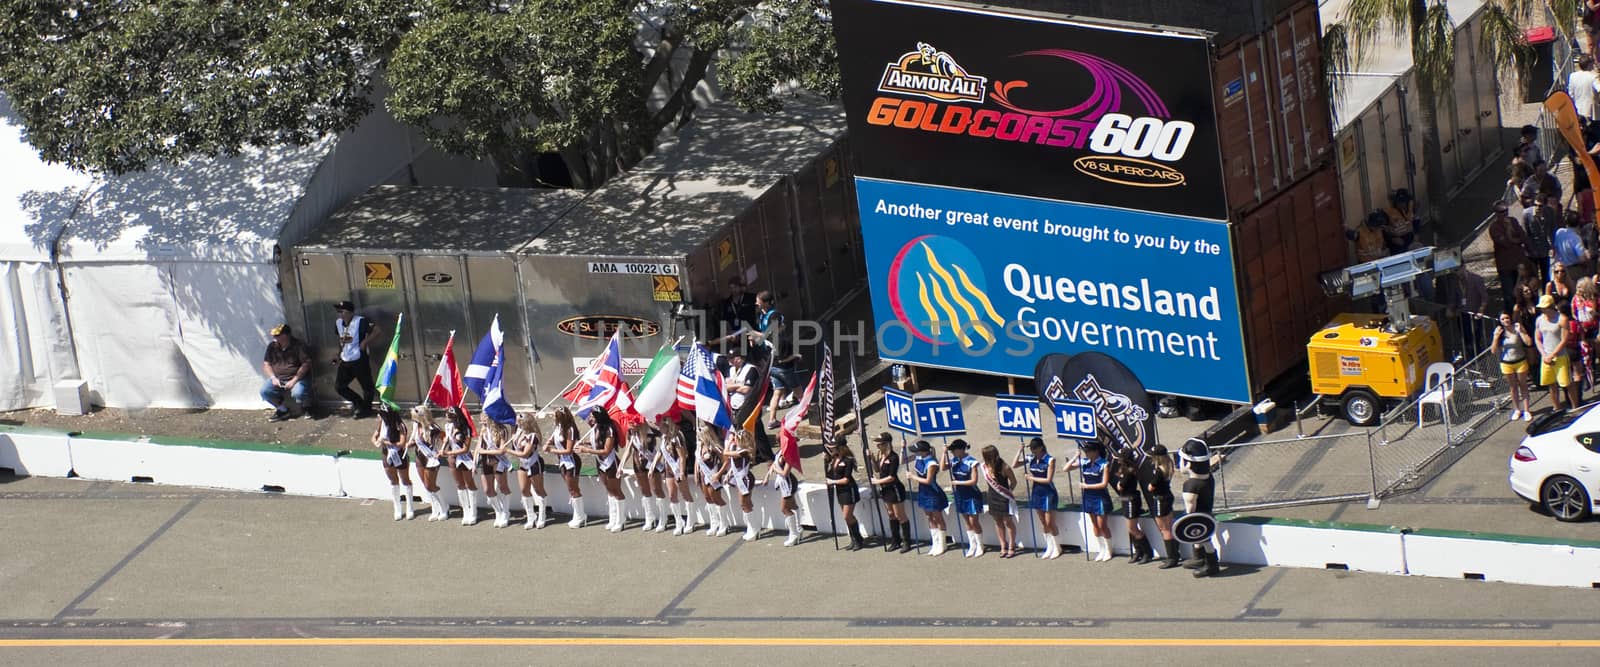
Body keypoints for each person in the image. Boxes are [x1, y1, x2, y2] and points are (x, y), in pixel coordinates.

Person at [755, 291, 804, 428]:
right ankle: (806, 412)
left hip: (771, 362)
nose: (756, 303)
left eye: (758, 301)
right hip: (778, 363)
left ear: (765, 302)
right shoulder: (767, 318)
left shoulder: (771, 316)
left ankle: (771, 420)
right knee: (798, 390)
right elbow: (783, 355)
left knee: (777, 391)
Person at [1178, 438, 1222, 578]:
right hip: (1207, 513)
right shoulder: (1209, 478)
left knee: (1204, 539)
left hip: (1199, 520)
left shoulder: (1191, 486)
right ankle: (1198, 558)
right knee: (1201, 539)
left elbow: (1190, 513)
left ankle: (1211, 564)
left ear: (1189, 464)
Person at [578, 408, 625, 532]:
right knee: (609, 490)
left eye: (593, 416)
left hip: (611, 463)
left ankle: (621, 520)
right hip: (600, 463)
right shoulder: (596, 428)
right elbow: (598, 442)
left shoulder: (609, 429)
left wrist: (587, 450)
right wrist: (587, 443)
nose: (590, 418)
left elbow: (606, 450)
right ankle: (613, 518)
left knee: (616, 490)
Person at [1016, 437, 1063, 559]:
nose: (1032, 451)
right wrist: (1020, 451)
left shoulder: (1049, 460)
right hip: (1036, 492)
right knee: (1043, 522)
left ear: (1041, 447)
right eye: (1031, 448)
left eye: (1034, 448)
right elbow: (1014, 464)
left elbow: (1048, 479)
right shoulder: (1031, 458)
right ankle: (1049, 546)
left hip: (1048, 492)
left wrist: (1031, 478)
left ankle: (1057, 547)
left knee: (1049, 522)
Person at [1066, 441, 1113, 561]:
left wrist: (1087, 486)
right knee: (1095, 525)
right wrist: (1075, 457)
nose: (1086, 454)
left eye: (1088, 451)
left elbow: (1104, 484)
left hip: (1100, 497)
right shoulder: (1085, 462)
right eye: (1085, 451)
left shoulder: (1104, 464)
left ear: (1096, 451)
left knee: (1102, 525)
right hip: (1088, 497)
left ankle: (1109, 549)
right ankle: (1101, 548)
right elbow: (1066, 468)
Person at [331, 301, 379, 419]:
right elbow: (341, 340)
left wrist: (365, 342)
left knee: (367, 386)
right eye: (338, 312)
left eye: (343, 311)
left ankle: (366, 409)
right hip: (346, 358)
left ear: (351, 312)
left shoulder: (360, 321)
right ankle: (358, 403)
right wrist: (338, 354)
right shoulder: (338, 323)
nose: (340, 314)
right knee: (339, 386)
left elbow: (377, 330)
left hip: (359, 358)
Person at [868, 432, 912, 553]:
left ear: (886, 444)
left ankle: (906, 541)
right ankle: (895, 540)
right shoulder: (880, 455)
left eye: (880, 444)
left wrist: (877, 481)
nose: (878, 446)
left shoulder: (893, 457)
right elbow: (877, 469)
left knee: (900, 515)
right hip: (885, 489)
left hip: (894, 488)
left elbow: (892, 477)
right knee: (891, 514)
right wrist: (872, 459)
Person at [1536, 294, 1580, 411]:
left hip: (1560, 357)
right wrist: (1544, 355)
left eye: (1545, 307)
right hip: (1546, 358)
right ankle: (1557, 408)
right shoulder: (1539, 319)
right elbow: (1538, 338)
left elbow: (1565, 340)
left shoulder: (1562, 319)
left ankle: (1575, 408)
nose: (1543, 310)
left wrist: (1552, 354)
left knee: (1567, 384)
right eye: (1542, 308)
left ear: (1551, 307)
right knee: (1551, 384)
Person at [260, 324, 312, 422]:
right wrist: (273, 378)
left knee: (298, 392)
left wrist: (294, 380)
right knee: (264, 391)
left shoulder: (298, 345)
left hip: (297, 378)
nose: (274, 338)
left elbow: (306, 364)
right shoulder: (272, 346)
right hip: (278, 378)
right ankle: (283, 410)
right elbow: (266, 364)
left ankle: (307, 406)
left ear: (286, 335)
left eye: (277, 335)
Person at [372, 404, 414, 521]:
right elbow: (374, 437)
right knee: (393, 480)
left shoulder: (400, 425)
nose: (380, 416)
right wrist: (376, 442)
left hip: (399, 454)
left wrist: (387, 442)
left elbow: (401, 443)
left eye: (382, 414)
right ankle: (397, 508)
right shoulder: (381, 423)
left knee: (405, 480)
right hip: (386, 454)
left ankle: (410, 508)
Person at [908, 440, 949, 556]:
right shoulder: (919, 458)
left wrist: (912, 477)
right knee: (929, 517)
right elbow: (903, 461)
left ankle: (942, 544)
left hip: (932, 491)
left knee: (938, 517)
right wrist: (902, 448)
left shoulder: (931, 463)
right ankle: (935, 542)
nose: (915, 453)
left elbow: (928, 480)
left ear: (923, 451)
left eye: (917, 451)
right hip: (923, 492)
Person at [1110, 450, 1152, 564]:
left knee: (1133, 528)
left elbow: (1120, 486)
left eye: (1119, 458)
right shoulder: (1124, 469)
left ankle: (1147, 552)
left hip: (1130, 499)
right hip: (1125, 499)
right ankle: (1138, 551)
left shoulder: (1130, 471)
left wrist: (1119, 482)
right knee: (1130, 529)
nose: (1117, 460)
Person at [509, 412, 549, 529]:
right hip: (522, 464)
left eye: (519, 420)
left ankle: (542, 515)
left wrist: (507, 451)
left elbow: (525, 453)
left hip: (533, 463)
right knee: (524, 490)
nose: (516, 422)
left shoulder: (533, 436)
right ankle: (531, 516)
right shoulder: (517, 432)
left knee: (539, 489)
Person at [945, 439, 984, 558]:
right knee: (967, 521)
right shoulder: (954, 460)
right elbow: (942, 467)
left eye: (953, 450)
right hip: (960, 494)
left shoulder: (972, 462)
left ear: (961, 449)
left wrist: (957, 482)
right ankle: (972, 545)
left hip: (971, 494)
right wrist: (943, 453)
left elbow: (974, 481)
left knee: (974, 521)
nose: (952, 452)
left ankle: (980, 545)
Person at [548, 407, 587, 528]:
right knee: (570, 489)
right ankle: (577, 514)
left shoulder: (570, 429)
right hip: (562, 461)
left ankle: (580, 516)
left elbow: (569, 450)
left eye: (556, 415)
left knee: (573, 488)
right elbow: (553, 441)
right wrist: (548, 444)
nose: (553, 417)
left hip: (571, 461)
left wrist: (552, 450)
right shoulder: (558, 428)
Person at [1492, 312, 1535, 421]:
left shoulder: (1517, 328)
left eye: (1507, 317)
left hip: (1520, 361)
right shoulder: (1500, 332)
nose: (1505, 320)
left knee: (1523, 385)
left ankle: (1526, 410)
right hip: (1506, 363)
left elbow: (1529, 342)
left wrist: (1521, 332)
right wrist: (1496, 337)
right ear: (1500, 321)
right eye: (1502, 319)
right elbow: (1493, 350)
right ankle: (1517, 409)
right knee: (1513, 387)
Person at [408, 405, 449, 521]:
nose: (412, 419)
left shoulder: (434, 428)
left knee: (431, 485)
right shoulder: (417, 426)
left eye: (414, 416)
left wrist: (442, 450)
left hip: (431, 458)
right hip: (419, 458)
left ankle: (444, 507)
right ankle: (435, 509)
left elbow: (445, 437)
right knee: (426, 486)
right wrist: (411, 444)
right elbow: (417, 441)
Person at [824, 435, 864, 550]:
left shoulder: (848, 460)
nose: (831, 449)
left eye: (834, 447)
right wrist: (827, 462)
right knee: (847, 516)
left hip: (848, 489)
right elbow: (830, 474)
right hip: (840, 490)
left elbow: (846, 479)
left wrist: (833, 481)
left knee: (847, 515)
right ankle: (854, 539)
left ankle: (858, 539)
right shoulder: (833, 459)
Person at [764, 436, 805, 546]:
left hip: (788, 483)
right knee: (793, 505)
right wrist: (767, 476)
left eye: (780, 440)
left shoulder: (788, 454)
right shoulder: (780, 451)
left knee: (784, 508)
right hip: (783, 483)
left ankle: (793, 534)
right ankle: (798, 528)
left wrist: (776, 470)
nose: (778, 442)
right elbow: (773, 464)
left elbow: (784, 473)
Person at [440, 407, 479, 526]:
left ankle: (473, 512)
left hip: (464, 458)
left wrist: (449, 453)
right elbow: (447, 439)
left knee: (469, 484)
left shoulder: (465, 428)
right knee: (459, 484)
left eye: (449, 415)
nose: (447, 417)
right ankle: (465, 511)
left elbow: (465, 449)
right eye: (447, 415)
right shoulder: (448, 427)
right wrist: (443, 449)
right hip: (453, 458)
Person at [1144, 445, 1180, 569]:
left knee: (1164, 529)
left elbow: (1151, 486)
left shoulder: (1159, 470)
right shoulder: (1169, 466)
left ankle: (1172, 557)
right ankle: (1175, 553)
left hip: (1160, 499)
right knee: (1169, 526)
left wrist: (1150, 485)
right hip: (1167, 496)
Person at [656, 421, 696, 535]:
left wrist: (682, 472)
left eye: (661, 426)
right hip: (668, 469)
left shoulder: (676, 437)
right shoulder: (664, 438)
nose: (659, 428)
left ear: (668, 426)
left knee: (685, 494)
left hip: (678, 469)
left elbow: (682, 457)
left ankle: (690, 520)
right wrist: (654, 464)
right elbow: (661, 453)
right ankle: (679, 521)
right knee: (672, 495)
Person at [629, 422, 669, 533]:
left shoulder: (651, 430)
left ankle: (663, 518)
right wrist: (622, 465)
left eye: (632, 422)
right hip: (638, 464)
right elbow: (629, 449)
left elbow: (664, 437)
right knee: (644, 491)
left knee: (657, 489)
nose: (630, 424)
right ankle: (649, 518)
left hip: (652, 463)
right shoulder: (631, 432)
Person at [980, 445, 1019, 559]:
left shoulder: (1004, 467)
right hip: (992, 496)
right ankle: (1003, 545)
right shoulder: (985, 466)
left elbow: (1014, 482)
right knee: (998, 521)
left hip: (1004, 497)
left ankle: (1012, 546)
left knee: (1008, 522)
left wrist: (1008, 493)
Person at [476, 419, 515, 528]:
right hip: (485, 461)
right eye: (481, 417)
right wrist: (475, 462)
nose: (482, 420)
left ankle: (506, 512)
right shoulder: (484, 430)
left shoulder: (501, 429)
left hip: (499, 461)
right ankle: (498, 511)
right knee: (487, 489)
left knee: (503, 487)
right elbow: (478, 447)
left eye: (484, 417)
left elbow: (501, 450)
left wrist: (485, 451)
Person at [1489, 201, 1528, 310]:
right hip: (1505, 265)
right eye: (1502, 212)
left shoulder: (1514, 221)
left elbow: (1523, 237)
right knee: (1509, 294)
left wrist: (1514, 239)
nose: (1505, 214)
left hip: (1518, 262)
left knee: (1522, 291)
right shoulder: (1494, 228)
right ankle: (1512, 316)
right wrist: (1510, 233)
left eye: (1506, 211)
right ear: (1496, 213)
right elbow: (1505, 243)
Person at [723, 430, 760, 541]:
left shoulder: (744, 451)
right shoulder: (738, 449)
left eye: (737, 439)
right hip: (739, 478)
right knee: (743, 504)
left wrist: (729, 442)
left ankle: (754, 528)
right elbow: (734, 464)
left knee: (745, 504)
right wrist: (729, 475)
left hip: (745, 479)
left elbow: (725, 453)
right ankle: (751, 527)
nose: (735, 440)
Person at [697, 424, 730, 537]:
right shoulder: (700, 447)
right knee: (708, 498)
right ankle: (714, 523)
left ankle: (724, 524)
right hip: (704, 476)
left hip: (713, 475)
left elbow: (726, 461)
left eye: (700, 435)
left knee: (716, 498)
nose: (699, 437)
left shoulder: (715, 447)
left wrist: (718, 474)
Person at [1554, 214, 1594, 283]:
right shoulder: (1576, 238)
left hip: (1560, 269)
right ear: (1578, 224)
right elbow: (1582, 258)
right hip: (1574, 270)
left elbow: (1555, 248)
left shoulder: (1559, 232)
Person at [1383, 189, 1420, 254]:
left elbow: (1416, 221)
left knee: (1419, 249)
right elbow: (1382, 230)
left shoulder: (1411, 209)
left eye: (1403, 201)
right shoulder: (1388, 213)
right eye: (1399, 201)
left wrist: (1416, 233)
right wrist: (1392, 239)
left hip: (1411, 240)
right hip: (1398, 244)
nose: (1401, 204)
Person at [1570, 55, 1599, 124]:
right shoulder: (1593, 77)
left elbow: (1571, 94)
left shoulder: (1572, 76)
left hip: (1578, 111)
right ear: (1589, 65)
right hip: (1591, 113)